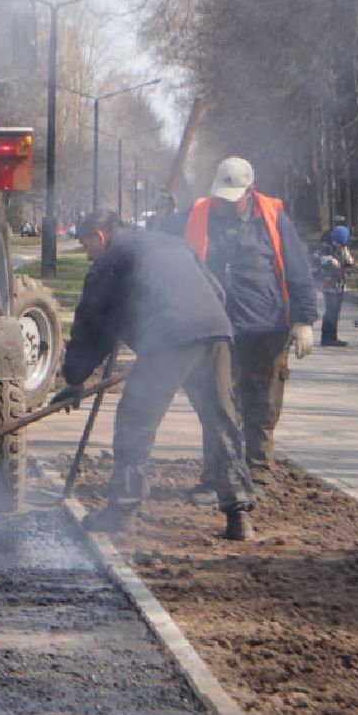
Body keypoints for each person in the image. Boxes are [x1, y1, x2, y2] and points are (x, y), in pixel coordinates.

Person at [53, 210, 257, 541]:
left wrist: (75, 377)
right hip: (215, 330)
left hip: (170, 337)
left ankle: (122, 512)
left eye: (85, 243)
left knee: (135, 422)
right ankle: (240, 515)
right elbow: (216, 291)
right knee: (221, 421)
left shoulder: (109, 261)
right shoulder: (173, 244)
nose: (87, 252)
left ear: (101, 236)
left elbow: (90, 322)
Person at [166, 156, 318, 478]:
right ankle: (218, 476)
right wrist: (165, 213)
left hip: (268, 331)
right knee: (217, 407)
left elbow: (298, 270)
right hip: (216, 330)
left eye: (233, 199)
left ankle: (258, 472)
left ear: (250, 192)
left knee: (262, 407)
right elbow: (161, 244)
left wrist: (304, 320)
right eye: (221, 198)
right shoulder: (195, 215)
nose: (226, 205)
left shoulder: (274, 220)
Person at [317, 224, 355, 346]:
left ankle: (333, 336)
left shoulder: (344, 247)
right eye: (339, 243)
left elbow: (347, 258)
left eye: (342, 244)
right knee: (330, 311)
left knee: (336, 311)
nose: (340, 246)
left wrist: (350, 261)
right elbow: (319, 258)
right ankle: (326, 338)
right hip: (329, 282)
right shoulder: (326, 245)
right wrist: (329, 260)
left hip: (339, 282)